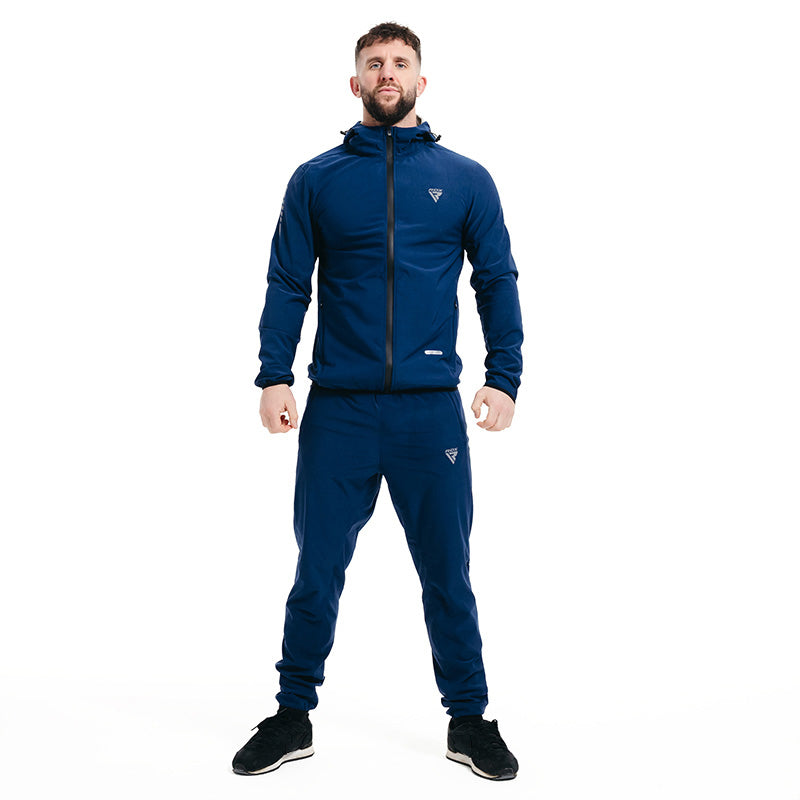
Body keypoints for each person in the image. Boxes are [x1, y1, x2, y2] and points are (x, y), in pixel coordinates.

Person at [232, 21, 523, 781]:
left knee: (448, 573)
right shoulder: (317, 179)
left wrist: (504, 376)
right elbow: (288, 282)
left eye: (399, 62)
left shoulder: (465, 180)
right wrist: (273, 375)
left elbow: (496, 279)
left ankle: (469, 719)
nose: (386, 72)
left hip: (430, 412)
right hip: (340, 410)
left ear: (421, 81)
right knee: (317, 569)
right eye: (373, 63)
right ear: (355, 81)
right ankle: (292, 714)